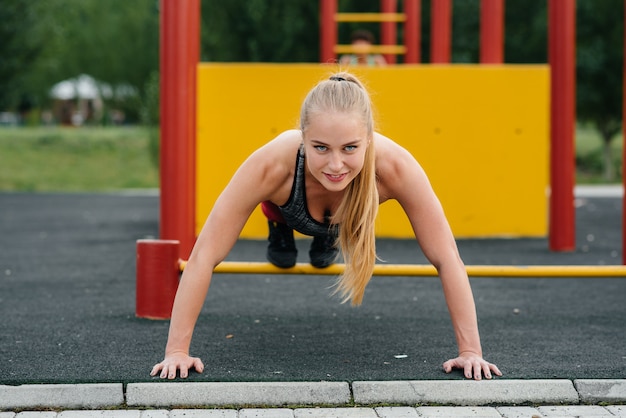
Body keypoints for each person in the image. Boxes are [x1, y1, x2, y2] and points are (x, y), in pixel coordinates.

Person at [150, 71, 502, 381]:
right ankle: (282, 230)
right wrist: (176, 351)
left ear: (369, 139)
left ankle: (327, 240)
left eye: (350, 147)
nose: (336, 163)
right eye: (320, 147)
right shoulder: (273, 164)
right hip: (288, 211)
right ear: (303, 138)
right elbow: (203, 256)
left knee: (326, 244)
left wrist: (471, 351)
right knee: (282, 250)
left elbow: (447, 258)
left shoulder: (394, 168)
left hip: (341, 217)